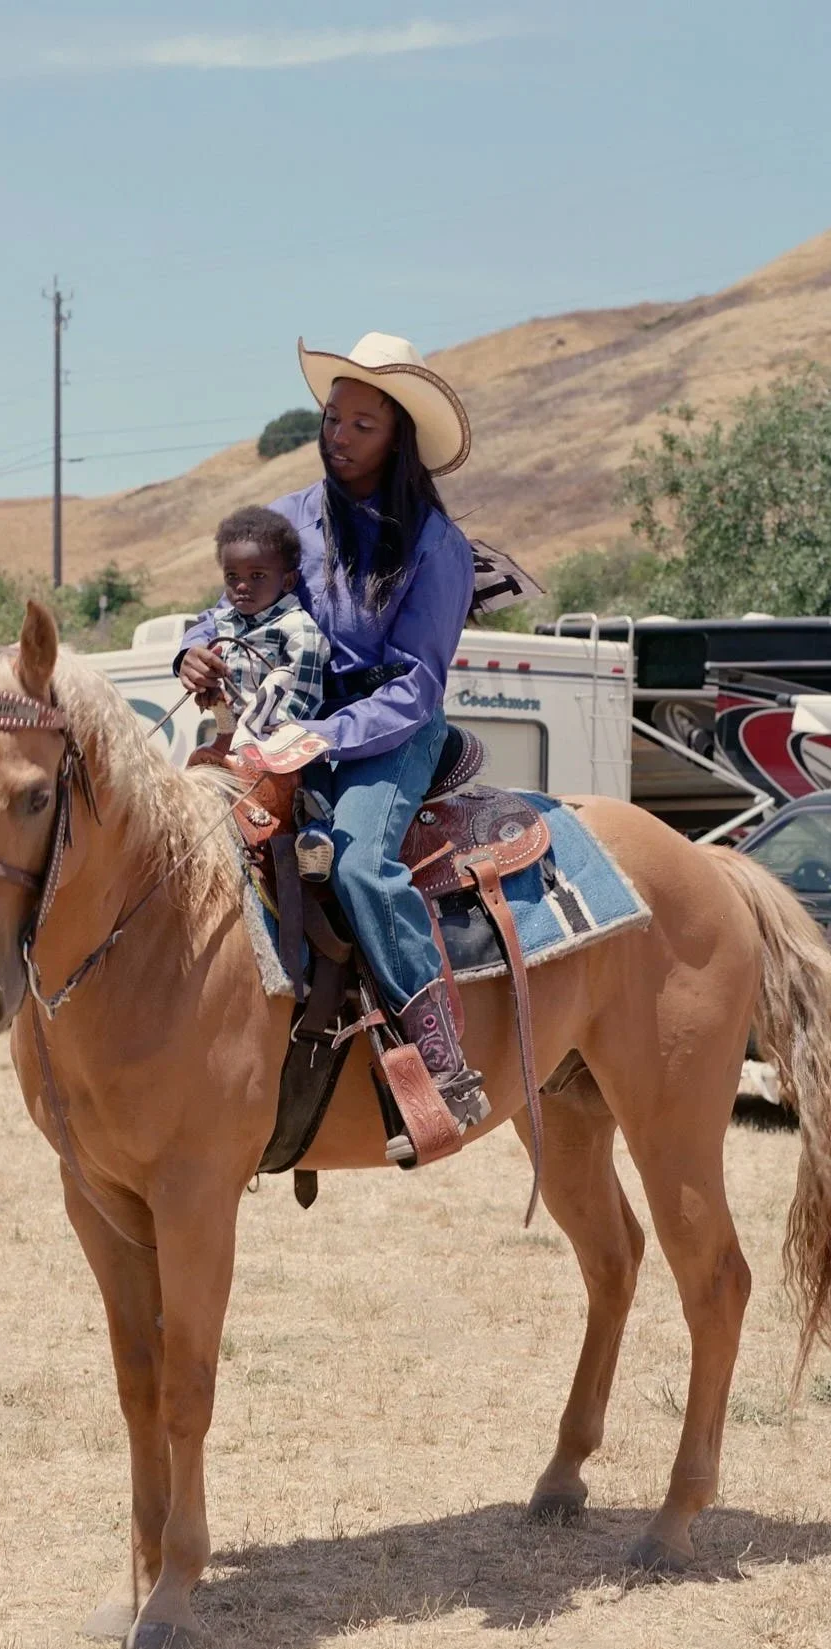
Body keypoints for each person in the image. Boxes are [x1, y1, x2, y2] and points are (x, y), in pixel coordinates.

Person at [177, 332, 489, 1132]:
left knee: (355, 865)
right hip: (282, 718)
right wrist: (197, 648)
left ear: (399, 440)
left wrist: (322, 739)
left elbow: (419, 684)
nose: (338, 437)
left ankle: (440, 1053)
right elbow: (227, 601)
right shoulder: (287, 520)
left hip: (389, 731)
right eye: (333, 418)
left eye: (361, 425)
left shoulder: (436, 548)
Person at [203, 505, 329, 751]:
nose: (241, 586)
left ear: (288, 580)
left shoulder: (299, 631)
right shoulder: (224, 624)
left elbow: (301, 702)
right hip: (232, 742)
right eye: (232, 576)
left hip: (281, 749)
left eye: (257, 576)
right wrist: (213, 697)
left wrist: (262, 741)